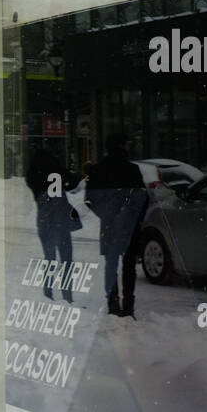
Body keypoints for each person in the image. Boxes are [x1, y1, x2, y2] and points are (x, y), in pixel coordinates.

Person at [85, 133, 150, 318]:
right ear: (122, 146)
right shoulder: (132, 169)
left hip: (109, 224)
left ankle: (112, 304)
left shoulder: (97, 170)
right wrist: (134, 216)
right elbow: (142, 198)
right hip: (129, 224)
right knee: (129, 264)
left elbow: (89, 200)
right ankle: (128, 306)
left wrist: (106, 214)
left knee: (111, 264)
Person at [25, 147, 81, 302]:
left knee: (49, 259)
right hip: (61, 221)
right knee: (66, 260)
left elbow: (32, 183)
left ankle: (48, 294)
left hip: (43, 221)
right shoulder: (57, 171)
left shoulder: (32, 175)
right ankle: (67, 296)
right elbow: (72, 183)